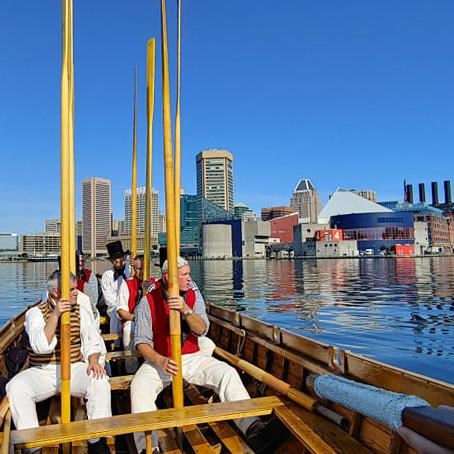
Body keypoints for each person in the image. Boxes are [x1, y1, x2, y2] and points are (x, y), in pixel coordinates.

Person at [130, 257, 281, 453]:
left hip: (192, 357)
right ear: (169, 277)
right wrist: (161, 360)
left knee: (227, 373)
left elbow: (202, 329)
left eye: (188, 273)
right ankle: (148, 447)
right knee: (139, 387)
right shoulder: (147, 301)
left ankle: (252, 428)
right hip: (162, 360)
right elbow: (141, 341)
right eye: (184, 275)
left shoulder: (193, 293)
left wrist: (186, 310)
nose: (189, 278)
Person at [6, 270, 111, 454]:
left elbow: (92, 341)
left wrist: (93, 360)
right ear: (56, 293)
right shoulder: (35, 313)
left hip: (74, 367)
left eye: (75, 289)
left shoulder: (80, 310)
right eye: (71, 290)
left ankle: (97, 441)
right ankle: (33, 446)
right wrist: (55, 315)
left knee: (100, 381)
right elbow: (40, 346)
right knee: (16, 387)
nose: (76, 293)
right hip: (43, 371)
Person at [116, 255, 145, 373]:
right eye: (137, 269)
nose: (140, 272)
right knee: (129, 329)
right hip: (133, 319)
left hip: (152, 321)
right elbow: (121, 311)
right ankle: (131, 369)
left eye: (143, 268)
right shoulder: (127, 284)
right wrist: (137, 318)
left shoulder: (155, 283)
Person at [101, 240, 130, 341]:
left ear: (124, 258)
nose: (118, 264)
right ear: (111, 261)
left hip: (130, 303)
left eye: (120, 261)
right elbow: (109, 299)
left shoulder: (130, 270)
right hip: (114, 306)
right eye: (115, 261)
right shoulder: (107, 275)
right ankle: (116, 341)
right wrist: (120, 307)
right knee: (116, 311)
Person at [76, 251, 100, 327]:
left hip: (88, 309)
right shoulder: (65, 277)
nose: (80, 263)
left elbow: (94, 300)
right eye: (78, 261)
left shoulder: (90, 275)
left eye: (82, 261)